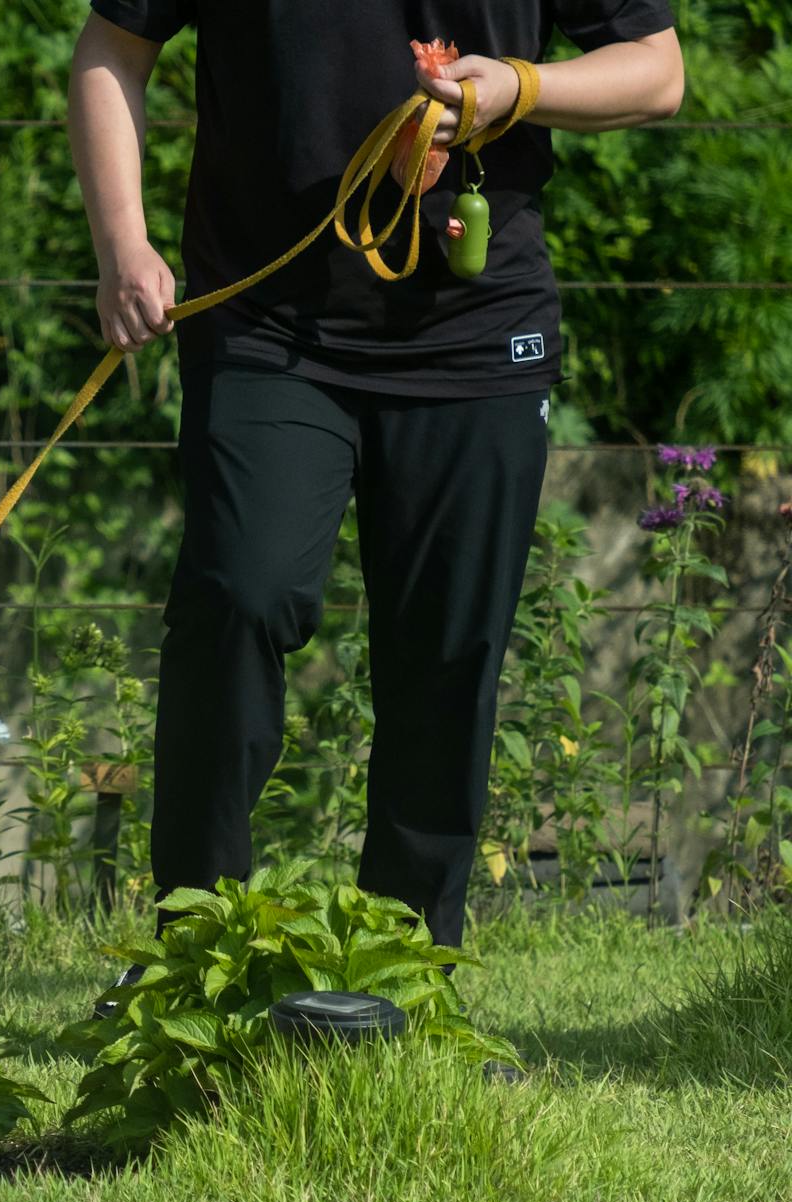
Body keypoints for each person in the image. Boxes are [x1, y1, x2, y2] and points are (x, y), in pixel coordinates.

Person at [66, 2, 685, 974]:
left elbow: (656, 69)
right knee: (240, 592)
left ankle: (402, 971)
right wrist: (122, 241)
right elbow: (113, 49)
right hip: (266, 322)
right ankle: (195, 953)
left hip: (478, 331)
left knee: (448, 645)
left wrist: (519, 88)